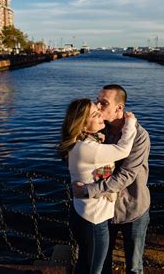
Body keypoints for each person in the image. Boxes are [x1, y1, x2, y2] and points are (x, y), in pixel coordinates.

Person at [73, 84, 151, 274]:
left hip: (132, 207)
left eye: (104, 103)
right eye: (97, 100)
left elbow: (126, 176)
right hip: (104, 210)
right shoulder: (99, 129)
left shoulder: (139, 136)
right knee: (102, 261)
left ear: (119, 108)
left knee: (134, 265)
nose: (98, 106)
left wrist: (89, 190)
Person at [58, 98, 137, 274]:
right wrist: (131, 123)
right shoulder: (88, 149)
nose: (100, 114)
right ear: (83, 125)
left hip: (81, 213)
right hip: (95, 220)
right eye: (95, 114)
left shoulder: (78, 143)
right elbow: (123, 149)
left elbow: (94, 169)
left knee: (84, 262)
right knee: (95, 269)